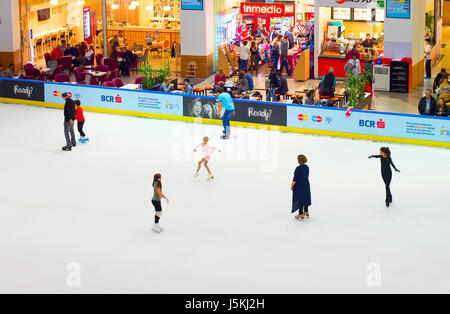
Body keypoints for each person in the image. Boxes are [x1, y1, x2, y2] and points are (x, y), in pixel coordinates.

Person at [291, 154, 311, 220]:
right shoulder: (307, 167)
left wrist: (291, 185)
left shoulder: (298, 168)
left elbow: (295, 179)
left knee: (300, 199)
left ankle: (300, 213)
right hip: (306, 184)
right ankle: (306, 211)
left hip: (299, 186)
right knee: (305, 197)